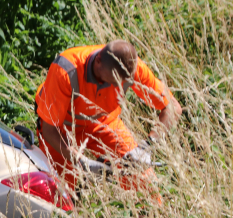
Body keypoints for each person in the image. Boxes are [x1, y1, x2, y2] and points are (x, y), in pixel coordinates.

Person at [35, 40, 182, 193]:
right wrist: (81, 161)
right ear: (98, 61)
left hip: (104, 122)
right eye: (111, 81)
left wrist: (147, 147)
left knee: (144, 180)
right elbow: (49, 130)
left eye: (123, 82)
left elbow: (173, 108)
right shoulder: (65, 70)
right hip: (61, 130)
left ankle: (151, 215)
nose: (117, 86)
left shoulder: (131, 67)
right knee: (60, 194)